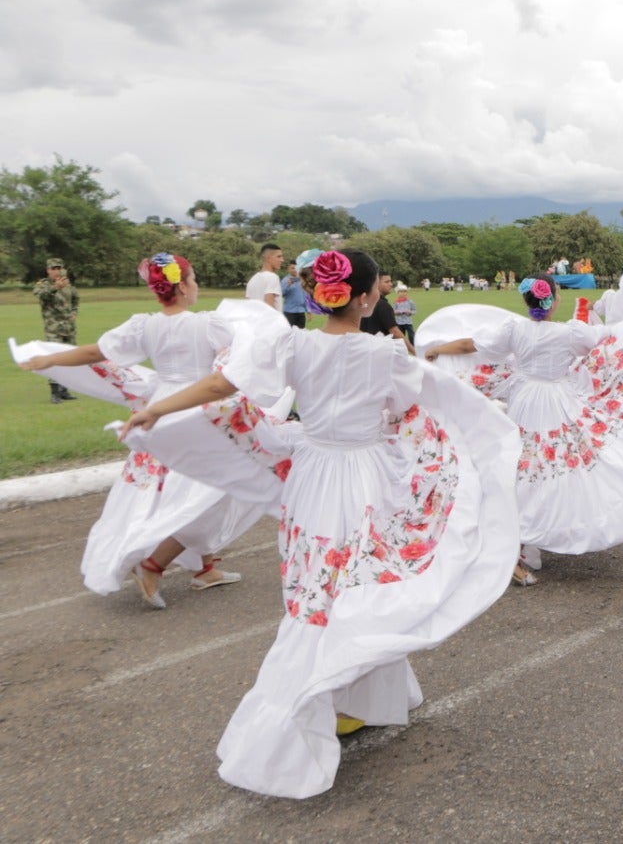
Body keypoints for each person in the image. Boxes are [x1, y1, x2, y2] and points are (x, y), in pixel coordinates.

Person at [119, 249, 520, 799]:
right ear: (364, 296)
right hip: (364, 476)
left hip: (312, 476)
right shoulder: (386, 355)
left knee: (316, 586)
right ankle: (325, 700)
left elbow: (222, 385)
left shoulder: (293, 342)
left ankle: (354, 696)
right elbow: (409, 409)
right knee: (360, 581)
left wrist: (156, 410)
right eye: (375, 284)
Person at [423, 274, 623, 584]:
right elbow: (609, 338)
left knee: (523, 468)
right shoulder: (569, 333)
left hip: (524, 396)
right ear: (554, 300)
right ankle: (523, 542)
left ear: (527, 302)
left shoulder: (514, 328)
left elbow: (468, 345)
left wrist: (437, 349)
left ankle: (521, 543)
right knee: (550, 469)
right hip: (556, 400)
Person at [20, 254, 256, 606]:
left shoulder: (144, 326)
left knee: (176, 490)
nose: (197, 286)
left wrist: (50, 359)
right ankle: (152, 564)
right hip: (195, 409)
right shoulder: (208, 325)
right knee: (211, 492)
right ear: (182, 286)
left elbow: (93, 352)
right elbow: (237, 361)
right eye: (193, 279)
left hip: (160, 409)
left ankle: (205, 568)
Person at [33, 257, 80, 403]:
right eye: (53, 268)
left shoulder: (67, 284)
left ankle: (64, 390)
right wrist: (55, 288)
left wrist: (74, 312)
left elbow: (76, 298)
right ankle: (54, 393)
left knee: (69, 359)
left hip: (69, 329)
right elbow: (40, 295)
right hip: (53, 329)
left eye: (59, 268)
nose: (56, 271)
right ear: (48, 270)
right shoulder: (43, 284)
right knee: (54, 359)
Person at [359, 270, 412, 353]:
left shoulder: (362, 302)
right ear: (376, 283)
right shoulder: (383, 306)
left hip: (363, 350)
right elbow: (395, 332)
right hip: (380, 351)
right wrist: (414, 350)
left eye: (390, 281)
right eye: (386, 282)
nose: (390, 284)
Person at [245, 243, 284, 310]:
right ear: (268, 258)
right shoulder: (272, 277)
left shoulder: (252, 280)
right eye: (279, 256)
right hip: (269, 319)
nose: (282, 260)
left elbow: (248, 306)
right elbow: (269, 307)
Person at [281, 260, 308, 328]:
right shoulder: (285, 280)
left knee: (301, 334)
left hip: (301, 312)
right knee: (289, 334)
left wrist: (308, 310)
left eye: (296, 268)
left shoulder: (302, 281)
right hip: (289, 312)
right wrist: (287, 285)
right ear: (288, 269)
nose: (294, 270)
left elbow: (305, 296)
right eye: (292, 268)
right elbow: (281, 294)